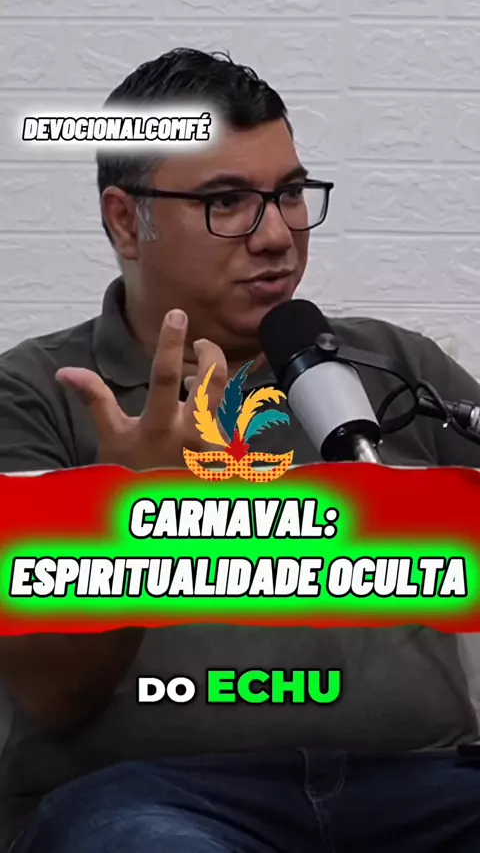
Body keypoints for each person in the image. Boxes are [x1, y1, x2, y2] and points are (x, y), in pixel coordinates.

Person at [1, 47, 480, 853]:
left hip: (424, 786)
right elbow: (51, 694)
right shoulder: (40, 393)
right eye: (227, 202)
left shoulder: (395, 368)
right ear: (124, 220)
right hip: (152, 802)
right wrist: (137, 505)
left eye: (290, 193)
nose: (278, 236)